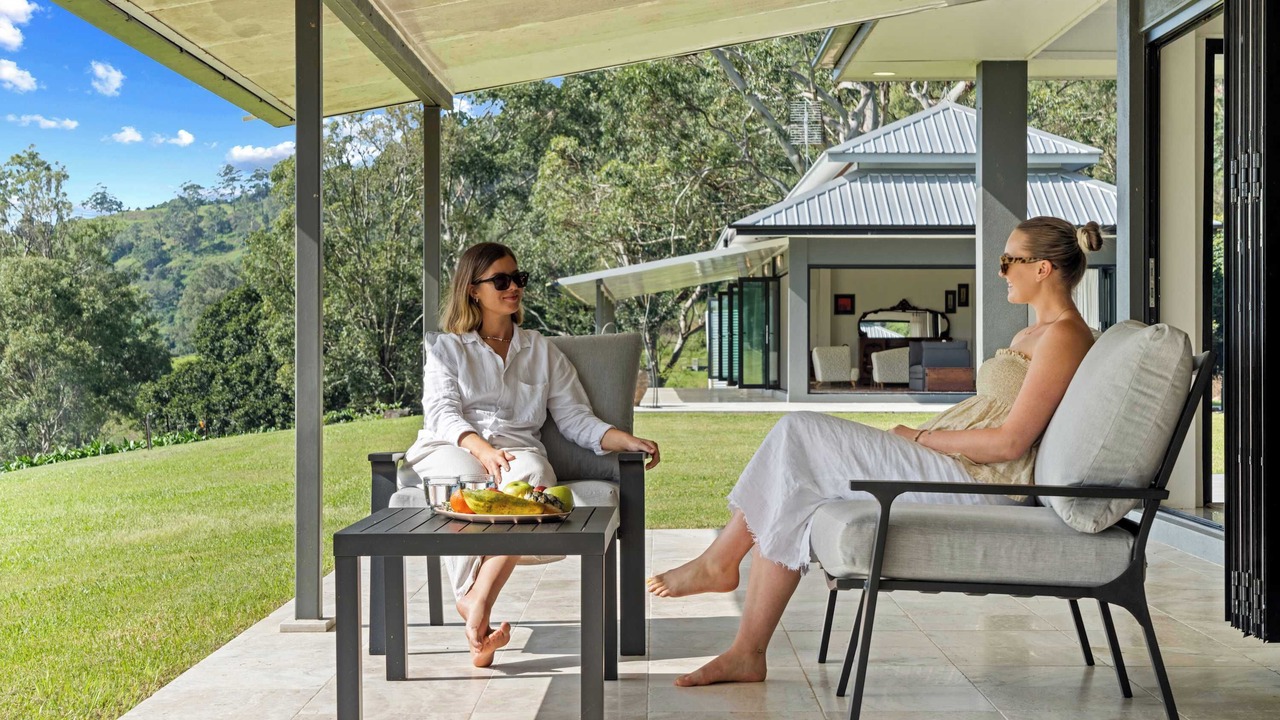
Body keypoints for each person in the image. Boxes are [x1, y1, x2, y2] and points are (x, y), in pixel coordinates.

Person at [647, 216, 1103, 687]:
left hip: (979, 483)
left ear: (1043, 268)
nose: (1001, 270)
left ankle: (720, 563)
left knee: (797, 429)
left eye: (1009, 260)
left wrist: (920, 439)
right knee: (797, 488)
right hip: (952, 463)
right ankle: (747, 653)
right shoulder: (1030, 334)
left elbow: (1012, 441)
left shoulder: (1064, 336)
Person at [388, 241, 660, 668]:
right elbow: (441, 413)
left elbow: (575, 419)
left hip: (517, 452)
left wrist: (625, 439)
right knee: (468, 482)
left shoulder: (541, 350)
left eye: (518, 278)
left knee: (532, 477)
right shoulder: (447, 348)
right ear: (473, 289)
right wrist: (480, 447)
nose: (514, 286)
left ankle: (474, 604)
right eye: (501, 279)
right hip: (451, 446)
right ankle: (473, 607)